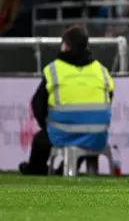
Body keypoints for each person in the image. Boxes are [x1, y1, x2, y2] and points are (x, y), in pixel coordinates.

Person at [19, 25, 115, 175]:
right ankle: (67, 168)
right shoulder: (101, 70)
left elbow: (37, 105)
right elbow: (109, 100)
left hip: (62, 133)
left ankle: (35, 169)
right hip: (97, 134)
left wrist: (47, 126)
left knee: (41, 140)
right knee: (85, 136)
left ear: (65, 46)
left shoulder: (54, 70)